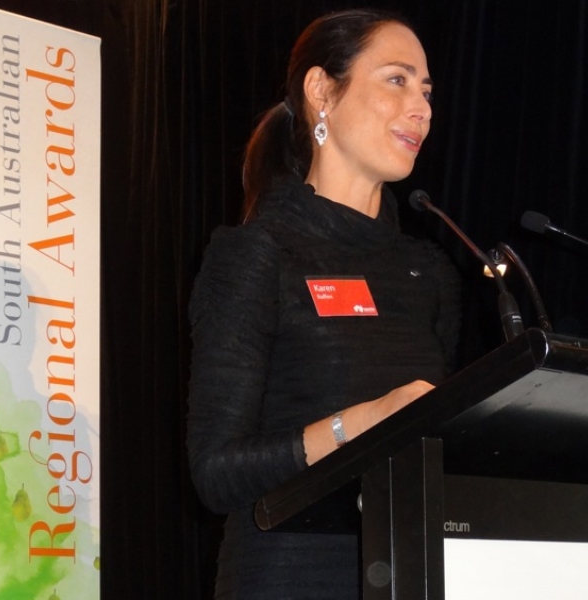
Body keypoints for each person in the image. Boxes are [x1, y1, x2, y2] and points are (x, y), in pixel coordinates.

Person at [186, 9, 461, 600]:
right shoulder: (257, 254)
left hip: (411, 575)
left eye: (427, 89)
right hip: (288, 579)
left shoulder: (428, 271)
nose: (422, 107)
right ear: (321, 92)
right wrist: (358, 424)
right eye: (397, 80)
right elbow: (215, 473)